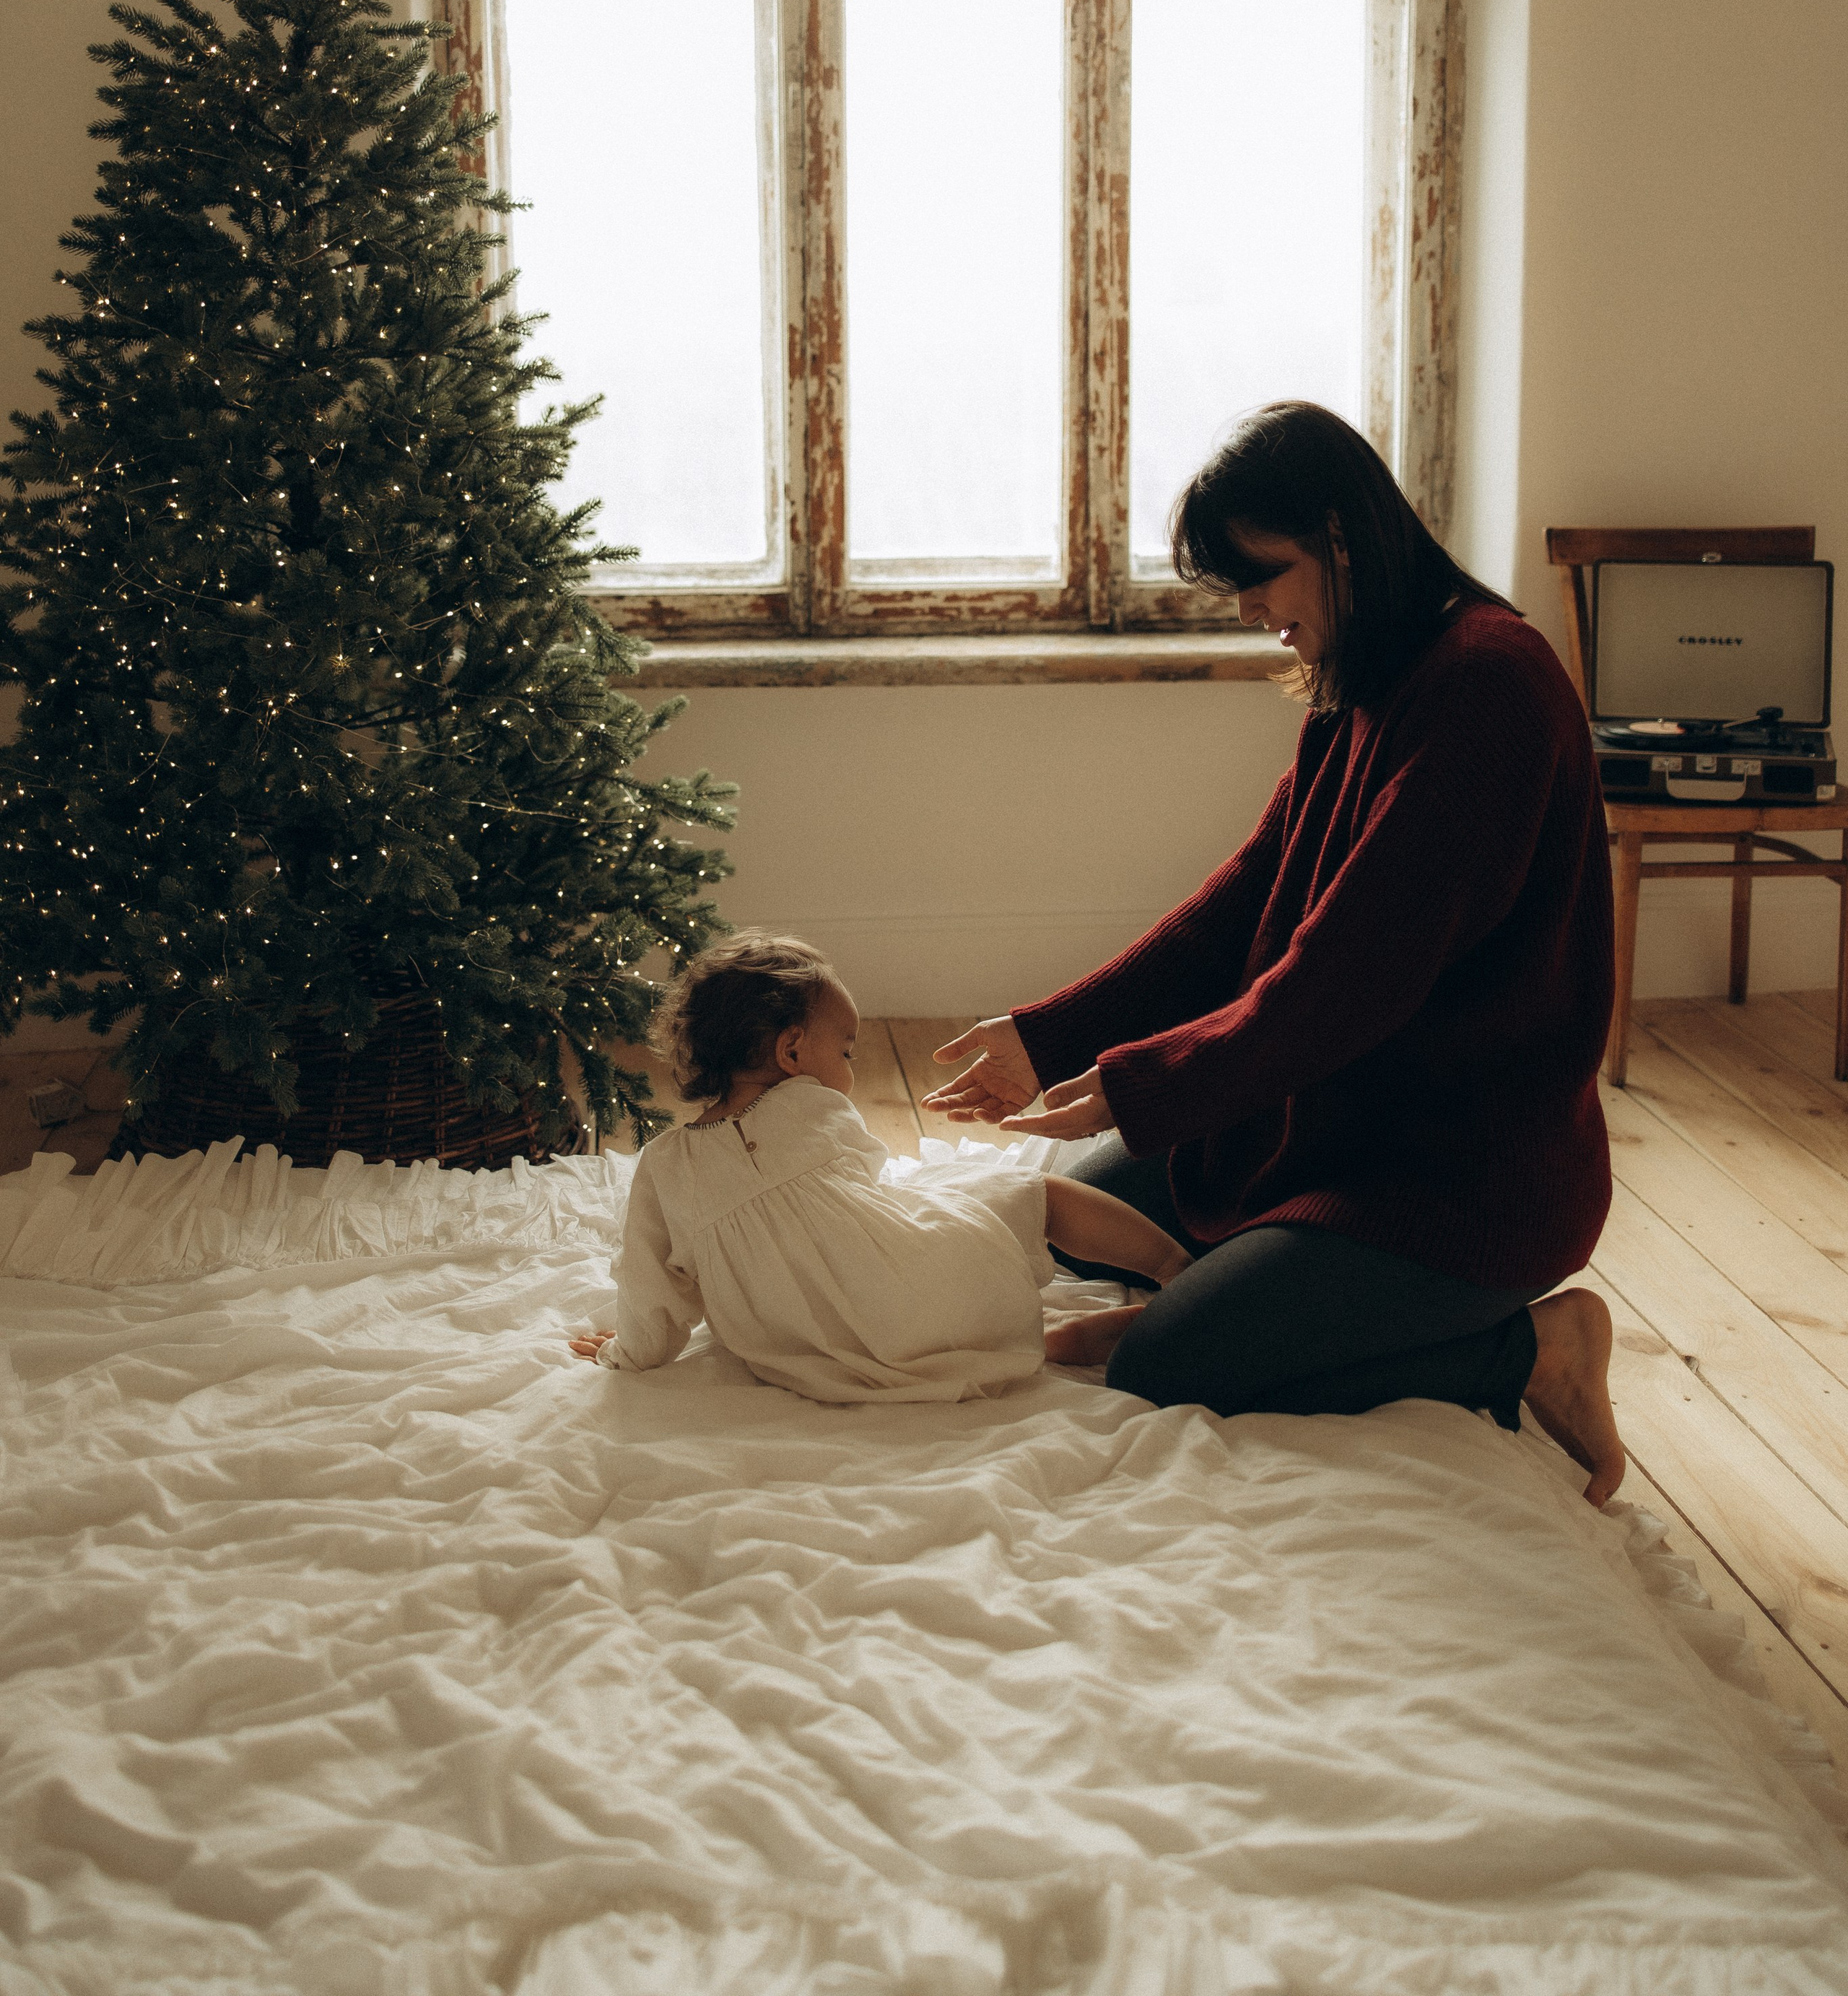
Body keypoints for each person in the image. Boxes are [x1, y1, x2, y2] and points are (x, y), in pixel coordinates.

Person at [923, 402, 1626, 1503]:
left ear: (1342, 538)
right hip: (1343, 1118)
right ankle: (1276, 1288)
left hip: (1461, 1177)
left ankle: (1538, 1349)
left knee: (1168, 1362)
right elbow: (1244, 902)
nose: (1251, 610)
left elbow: (1344, 986)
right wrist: (1046, 1034)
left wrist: (1141, 1084)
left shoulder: (1488, 684)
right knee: (1080, 1224)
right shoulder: (1365, 679)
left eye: (1262, 576)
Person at [572, 931, 1192, 1404]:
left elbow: (654, 1290)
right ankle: (1174, 1269)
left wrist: (630, 1351)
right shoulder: (808, 1103)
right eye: (845, 1051)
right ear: (792, 1052)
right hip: (917, 1291)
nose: (850, 1067)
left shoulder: (664, 1165)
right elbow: (869, 1186)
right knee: (1037, 1194)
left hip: (809, 1351)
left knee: (935, 1290)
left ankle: (1052, 1343)